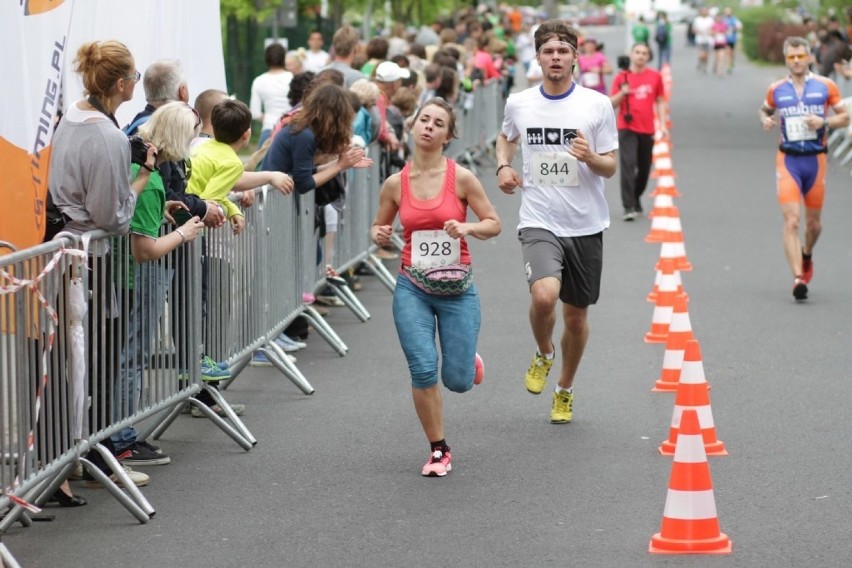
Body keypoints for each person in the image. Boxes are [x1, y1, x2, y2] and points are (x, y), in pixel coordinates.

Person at [47, 39, 157, 489]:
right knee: (98, 361)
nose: (136, 83)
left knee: (69, 361)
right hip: (91, 262)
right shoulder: (108, 135)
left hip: (62, 252)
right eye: (133, 76)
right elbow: (114, 216)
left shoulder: (69, 117)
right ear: (120, 83)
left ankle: (70, 458)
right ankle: (90, 453)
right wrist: (142, 176)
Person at [496, 20, 618, 424]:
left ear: (575, 58)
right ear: (538, 57)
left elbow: (610, 167)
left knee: (577, 317)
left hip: (585, 223)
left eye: (563, 52)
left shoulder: (597, 105)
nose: (555, 58)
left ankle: (564, 387)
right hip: (539, 218)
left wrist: (590, 158)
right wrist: (502, 166)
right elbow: (506, 137)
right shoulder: (519, 102)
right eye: (548, 51)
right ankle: (544, 351)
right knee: (544, 296)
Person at [371, 98, 501, 476]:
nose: (428, 126)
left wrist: (469, 227)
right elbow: (379, 230)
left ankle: (467, 360)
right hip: (412, 285)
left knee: (457, 381)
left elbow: (493, 222)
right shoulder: (395, 184)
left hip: (457, 290)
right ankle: (439, 449)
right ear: (413, 127)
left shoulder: (460, 177)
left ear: (447, 135)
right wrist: (378, 233)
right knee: (423, 368)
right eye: (424, 120)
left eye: (438, 123)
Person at [112, 102, 206, 456]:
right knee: (133, 355)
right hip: (141, 275)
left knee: (126, 353)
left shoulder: (139, 167)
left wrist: (163, 215)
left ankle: (119, 435)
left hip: (124, 275)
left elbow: (134, 221)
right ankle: (122, 439)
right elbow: (145, 249)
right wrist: (184, 233)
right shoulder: (151, 181)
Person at [758, 36, 849, 301]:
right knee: (792, 220)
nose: (796, 61)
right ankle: (798, 277)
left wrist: (824, 121)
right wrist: (765, 120)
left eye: (800, 56)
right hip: (788, 160)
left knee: (813, 225)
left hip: (816, 160)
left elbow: (844, 117)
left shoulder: (826, 86)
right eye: (791, 57)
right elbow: (764, 110)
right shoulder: (776, 89)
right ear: (786, 59)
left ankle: (807, 252)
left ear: (809, 57)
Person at [610, 42, 667, 220]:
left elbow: (659, 101)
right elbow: (611, 104)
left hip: (647, 128)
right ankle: (628, 206)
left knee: (644, 169)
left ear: (648, 57)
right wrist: (622, 93)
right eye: (637, 52)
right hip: (626, 127)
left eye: (644, 53)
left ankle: (635, 197)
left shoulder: (655, 76)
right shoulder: (621, 77)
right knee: (628, 164)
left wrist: (663, 125)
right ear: (632, 54)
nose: (641, 56)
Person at [250, 42, 293, 149]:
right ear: (284, 58)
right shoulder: (293, 78)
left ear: (266, 59)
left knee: (263, 165)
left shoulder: (259, 81)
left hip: (269, 130)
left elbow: (255, 113)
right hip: (292, 129)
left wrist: (269, 118)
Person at [691, 7, 713, 74]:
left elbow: (713, 28)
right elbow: (693, 29)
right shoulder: (697, 19)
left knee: (706, 55)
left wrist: (710, 32)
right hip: (699, 39)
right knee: (701, 54)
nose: (704, 12)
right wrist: (697, 31)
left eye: (705, 11)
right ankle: (700, 62)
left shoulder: (710, 20)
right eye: (703, 11)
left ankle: (705, 66)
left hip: (708, 39)